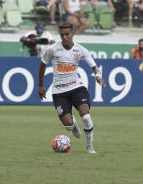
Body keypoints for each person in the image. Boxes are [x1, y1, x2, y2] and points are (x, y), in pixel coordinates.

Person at [38, 22, 105, 153]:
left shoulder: (80, 50)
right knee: (68, 126)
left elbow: (94, 66)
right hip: (59, 91)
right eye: (62, 34)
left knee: (86, 116)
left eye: (67, 34)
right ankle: (73, 124)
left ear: (72, 33)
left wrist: (97, 75)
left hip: (77, 88)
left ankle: (89, 146)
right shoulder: (52, 49)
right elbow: (42, 64)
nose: (64, 37)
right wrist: (40, 85)